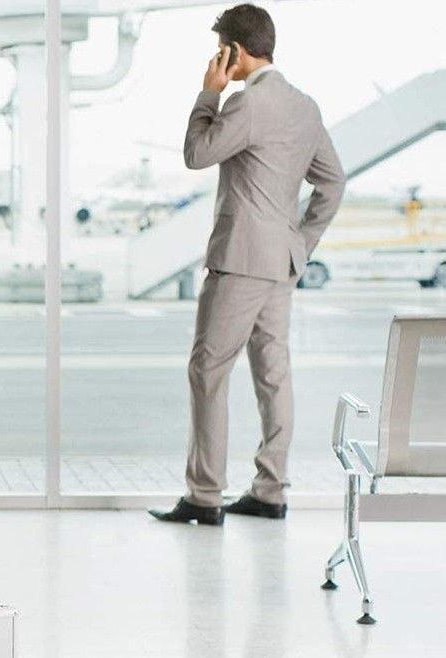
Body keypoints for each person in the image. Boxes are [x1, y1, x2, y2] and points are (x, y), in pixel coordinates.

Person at [150, 4, 346, 526]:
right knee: (272, 376)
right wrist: (300, 240)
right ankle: (270, 489)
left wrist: (209, 92)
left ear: (235, 50)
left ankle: (204, 495)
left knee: (207, 371)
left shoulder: (246, 103)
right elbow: (333, 182)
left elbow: (197, 152)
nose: (217, 59)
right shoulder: (305, 106)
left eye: (220, 50)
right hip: (280, 262)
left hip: (240, 262)